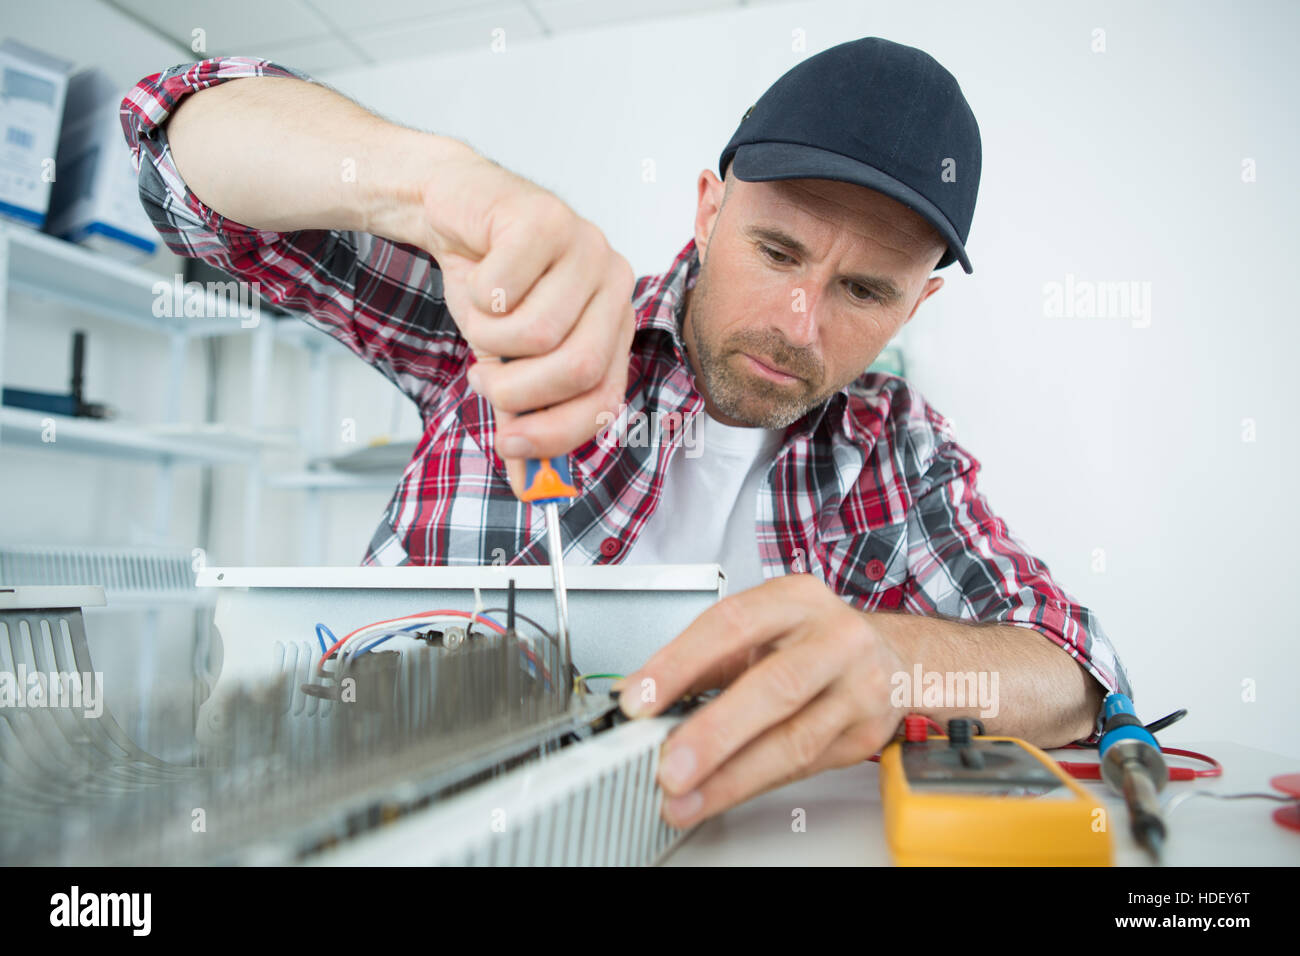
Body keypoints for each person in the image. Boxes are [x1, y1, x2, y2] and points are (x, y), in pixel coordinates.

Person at [122, 37, 1131, 830]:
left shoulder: (890, 445)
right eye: (775, 248)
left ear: (914, 309)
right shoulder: (519, 314)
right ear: (707, 210)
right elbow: (178, 154)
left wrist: (891, 659)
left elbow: (1075, 665)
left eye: (864, 290)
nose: (798, 321)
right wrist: (431, 187)